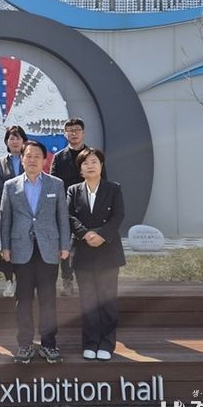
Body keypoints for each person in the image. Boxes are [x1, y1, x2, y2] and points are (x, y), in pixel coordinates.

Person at [0, 140, 71, 364]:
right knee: (23, 300)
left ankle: (49, 344)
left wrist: (65, 246)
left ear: (44, 160)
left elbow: (62, 217)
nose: (32, 160)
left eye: (37, 156)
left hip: (48, 249)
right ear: (22, 159)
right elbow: (6, 219)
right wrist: (5, 247)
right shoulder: (10, 186)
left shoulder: (56, 184)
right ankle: (25, 344)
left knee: (48, 300)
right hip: (21, 250)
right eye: (28, 156)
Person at [67, 148, 125, 362]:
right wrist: (85, 234)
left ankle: (107, 343)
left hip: (107, 251)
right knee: (88, 300)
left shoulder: (113, 188)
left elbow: (119, 215)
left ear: (101, 166)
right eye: (85, 163)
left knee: (107, 300)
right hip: (83, 251)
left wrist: (101, 235)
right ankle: (90, 343)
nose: (90, 166)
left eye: (94, 161)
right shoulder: (73, 190)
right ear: (80, 169)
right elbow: (69, 216)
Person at [50, 117, 89, 297]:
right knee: (64, 244)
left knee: (86, 244)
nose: (74, 133)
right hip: (64, 208)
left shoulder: (91, 155)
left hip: (87, 207)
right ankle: (67, 280)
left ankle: (86, 280)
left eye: (77, 130)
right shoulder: (59, 157)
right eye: (70, 130)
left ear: (83, 132)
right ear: (65, 134)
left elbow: (101, 180)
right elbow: (53, 184)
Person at [0, 125, 27, 297]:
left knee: (24, 246)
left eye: (18, 138)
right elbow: (1, 189)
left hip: (27, 212)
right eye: (11, 138)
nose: (15, 141)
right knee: (6, 246)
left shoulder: (29, 160)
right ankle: (8, 281)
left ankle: (22, 281)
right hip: (7, 211)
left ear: (24, 141)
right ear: (6, 141)